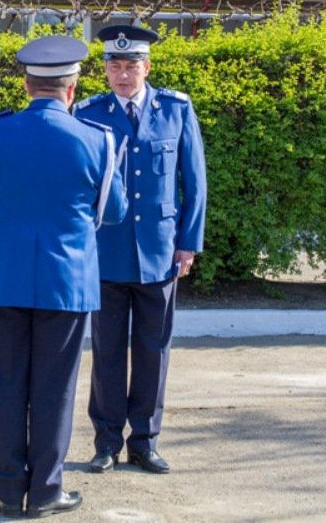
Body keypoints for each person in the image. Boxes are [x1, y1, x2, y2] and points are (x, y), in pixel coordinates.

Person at [0, 36, 128, 518]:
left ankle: (9, 491)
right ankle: (47, 491)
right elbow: (113, 211)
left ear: (26, 85)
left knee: (6, 386)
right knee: (55, 390)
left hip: (0, 281)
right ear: (71, 89)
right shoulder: (97, 139)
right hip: (65, 284)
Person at [73, 24, 207, 475]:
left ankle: (145, 442)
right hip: (105, 253)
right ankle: (107, 442)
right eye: (115, 64)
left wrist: (188, 243)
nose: (123, 74)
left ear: (147, 67)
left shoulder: (176, 109)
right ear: (105, 69)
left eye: (132, 65)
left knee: (153, 350)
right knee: (107, 352)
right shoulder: (88, 112)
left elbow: (195, 182)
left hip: (159, 252)